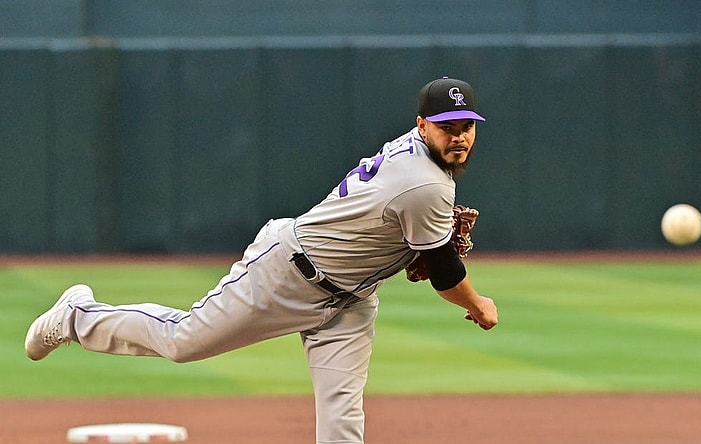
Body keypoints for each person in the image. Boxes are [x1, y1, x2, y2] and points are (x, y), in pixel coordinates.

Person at [25, 76, 499, 444]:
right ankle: (77, 316)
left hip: (350, 300)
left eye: (465, 127)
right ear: (422, 126)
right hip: (288, 273)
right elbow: (444, 273)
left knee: (342, 418)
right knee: (183, 341)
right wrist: (478, 306)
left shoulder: (420, 158)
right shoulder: (427, 186)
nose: (458, 137)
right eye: (447, 127)